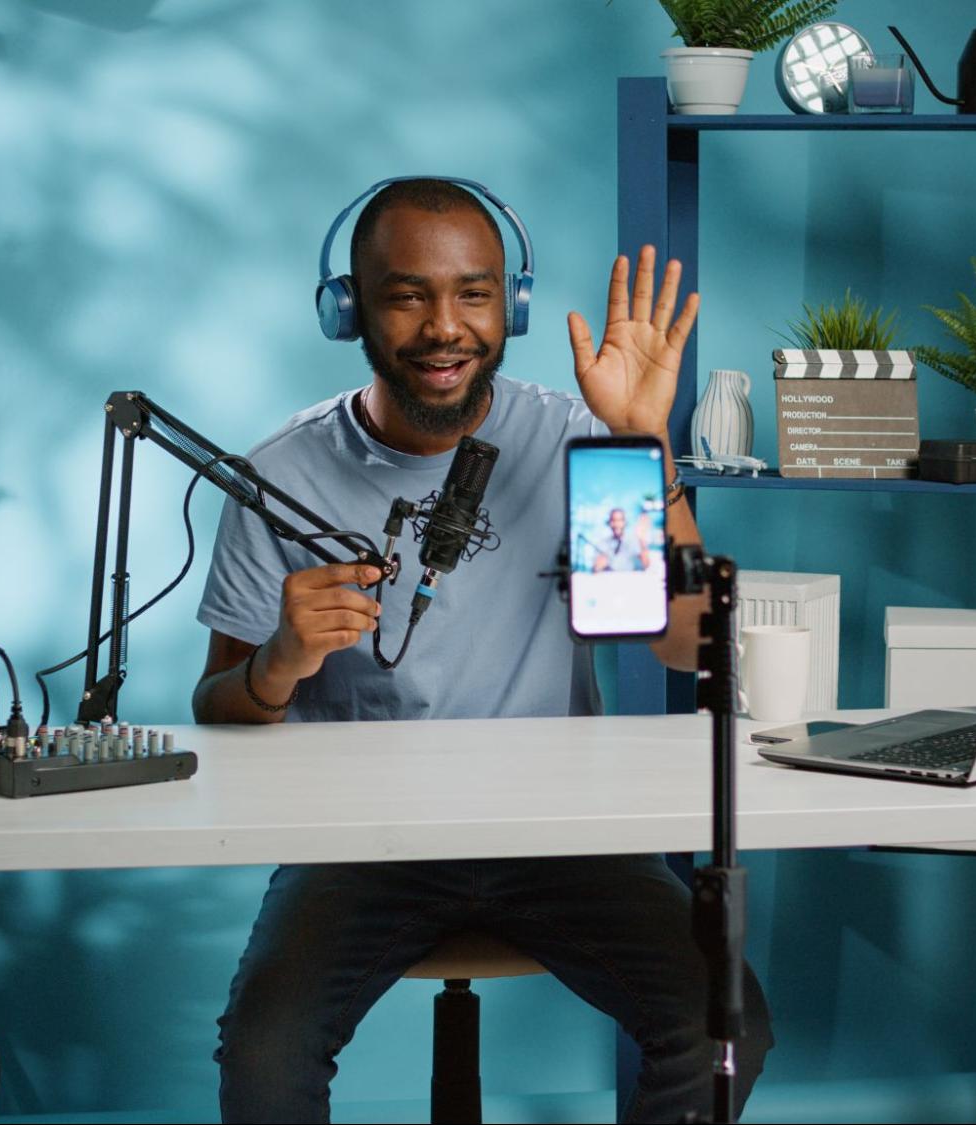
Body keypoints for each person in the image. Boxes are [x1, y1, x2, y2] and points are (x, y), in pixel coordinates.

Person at [192, 178, 772, 1123]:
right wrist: (280, 663)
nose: (443, 327)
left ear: (513, 305)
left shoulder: (583, 441)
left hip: (563, 835)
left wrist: (641, 443)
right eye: (405, 293)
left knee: (726, 1023)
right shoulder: (282, 473)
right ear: (350, 310)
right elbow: (216, 705)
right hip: (359, 842)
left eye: (472, 292)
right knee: (262, 1056)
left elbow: (682, 646)